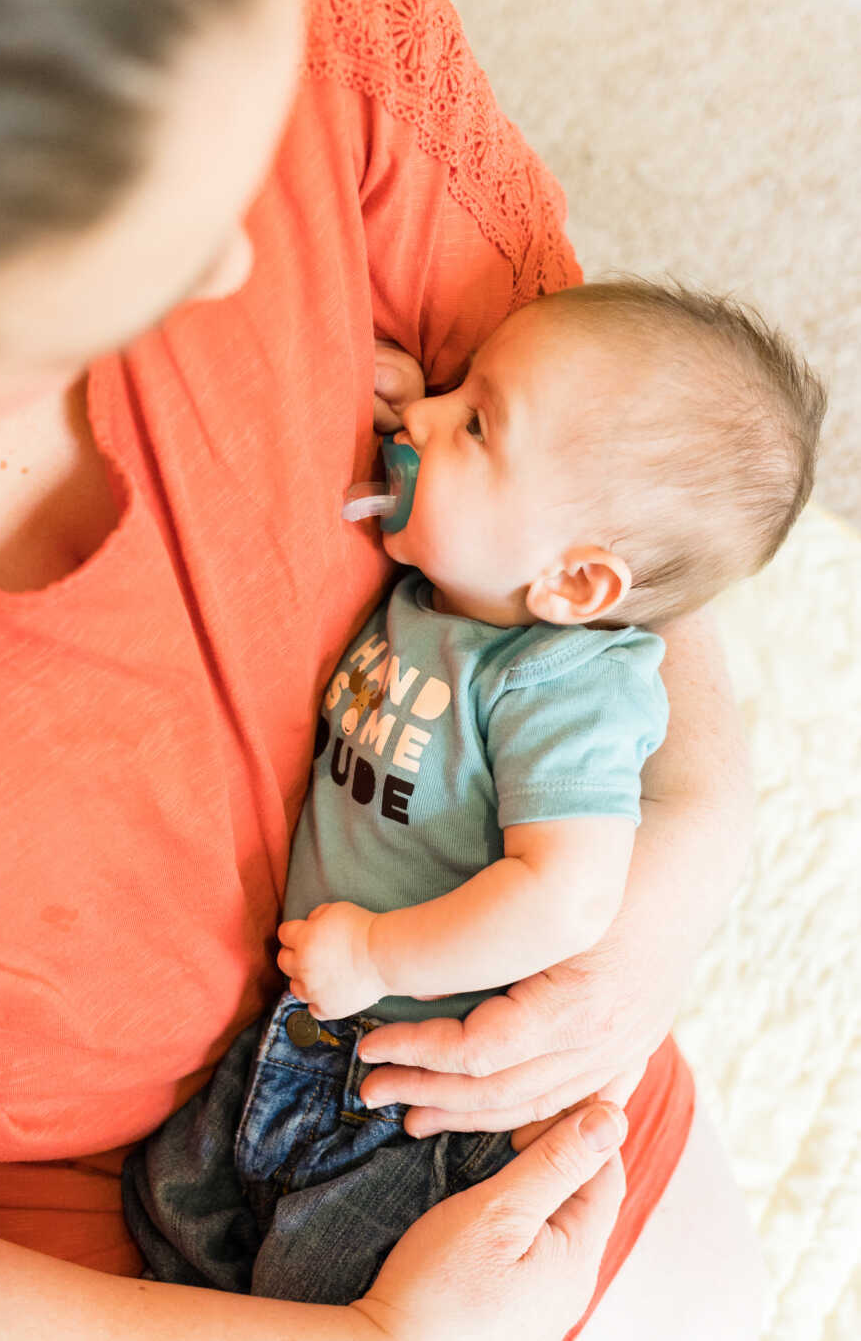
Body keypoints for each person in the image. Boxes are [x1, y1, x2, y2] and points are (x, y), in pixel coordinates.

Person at [0, 0, 765, 1338]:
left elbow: (630, 477)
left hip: (440, 1068)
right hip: (51, 1244)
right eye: (168, 223)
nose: (238, 269)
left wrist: (672, 873)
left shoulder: (318, 41)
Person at [122, 277, 823, 1305]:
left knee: (304, 1294)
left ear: (576, 584)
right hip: (308, 1036)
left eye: (478, 422)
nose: (426, 414)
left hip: (412, 1101)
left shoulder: (564, 689)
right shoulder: (450, 595)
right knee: (171, 1231)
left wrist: (378, 952)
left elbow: (565, 896)